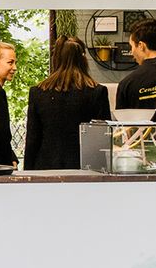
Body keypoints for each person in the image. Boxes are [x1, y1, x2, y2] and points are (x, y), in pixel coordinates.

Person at [24, 36, 111, 170]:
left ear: (56, 58)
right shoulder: (97, 92)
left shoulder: (37, 92)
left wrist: (28, 173)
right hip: (84, 168)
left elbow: (32, 140)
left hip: (45, 167)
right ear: (83, 59)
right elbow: (102, 140)